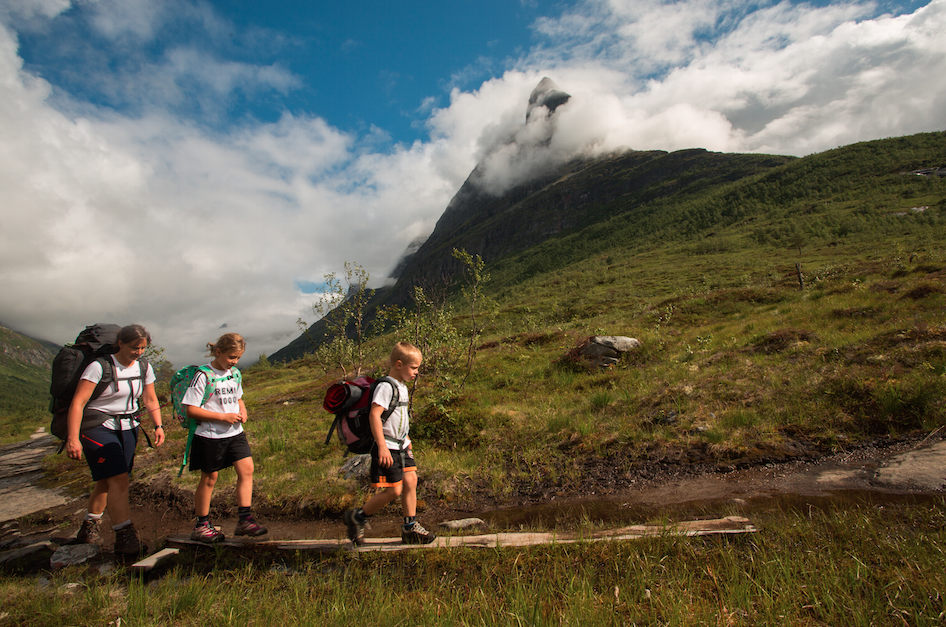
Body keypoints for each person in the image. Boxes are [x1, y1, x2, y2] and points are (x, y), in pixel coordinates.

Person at [66, 324, 164, 556]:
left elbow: (150, 398)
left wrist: (158, 425)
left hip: (130, 426)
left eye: (143, 348)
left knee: (107, 480)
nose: (138, 352)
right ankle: (124, 537)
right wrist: (72, 438)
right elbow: (78, 403)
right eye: (134, 347)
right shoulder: (99, 367)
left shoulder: (144, 367)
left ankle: (89, 527)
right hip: (97, 426)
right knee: (118, 479)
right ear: (120, 343)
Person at [343, 341, 437, 546]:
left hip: (401, 445)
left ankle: (410, 527)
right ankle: (357, 516)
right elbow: (375, 416)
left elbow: (399, 416)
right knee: (393, 490)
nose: (417, 372)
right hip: (387, 447)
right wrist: (382, 446)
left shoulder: (402, 387)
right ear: (398, 364)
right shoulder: (385, 386)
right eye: (414, 368)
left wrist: (407, 438)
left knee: (411, 481)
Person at [182, 332, 267, 543]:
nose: (234, 362)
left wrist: (243, 411)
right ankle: (201, 526)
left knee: (247, 469)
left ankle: (244, 521)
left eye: (237, 358)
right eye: (231, 357)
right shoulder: (203, 376)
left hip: (235, 433)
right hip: (209, 436)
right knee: (210, 478)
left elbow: (239, 398)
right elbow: (190, 410)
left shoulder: (235, 373)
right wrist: (223, 417)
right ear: (218, 352)